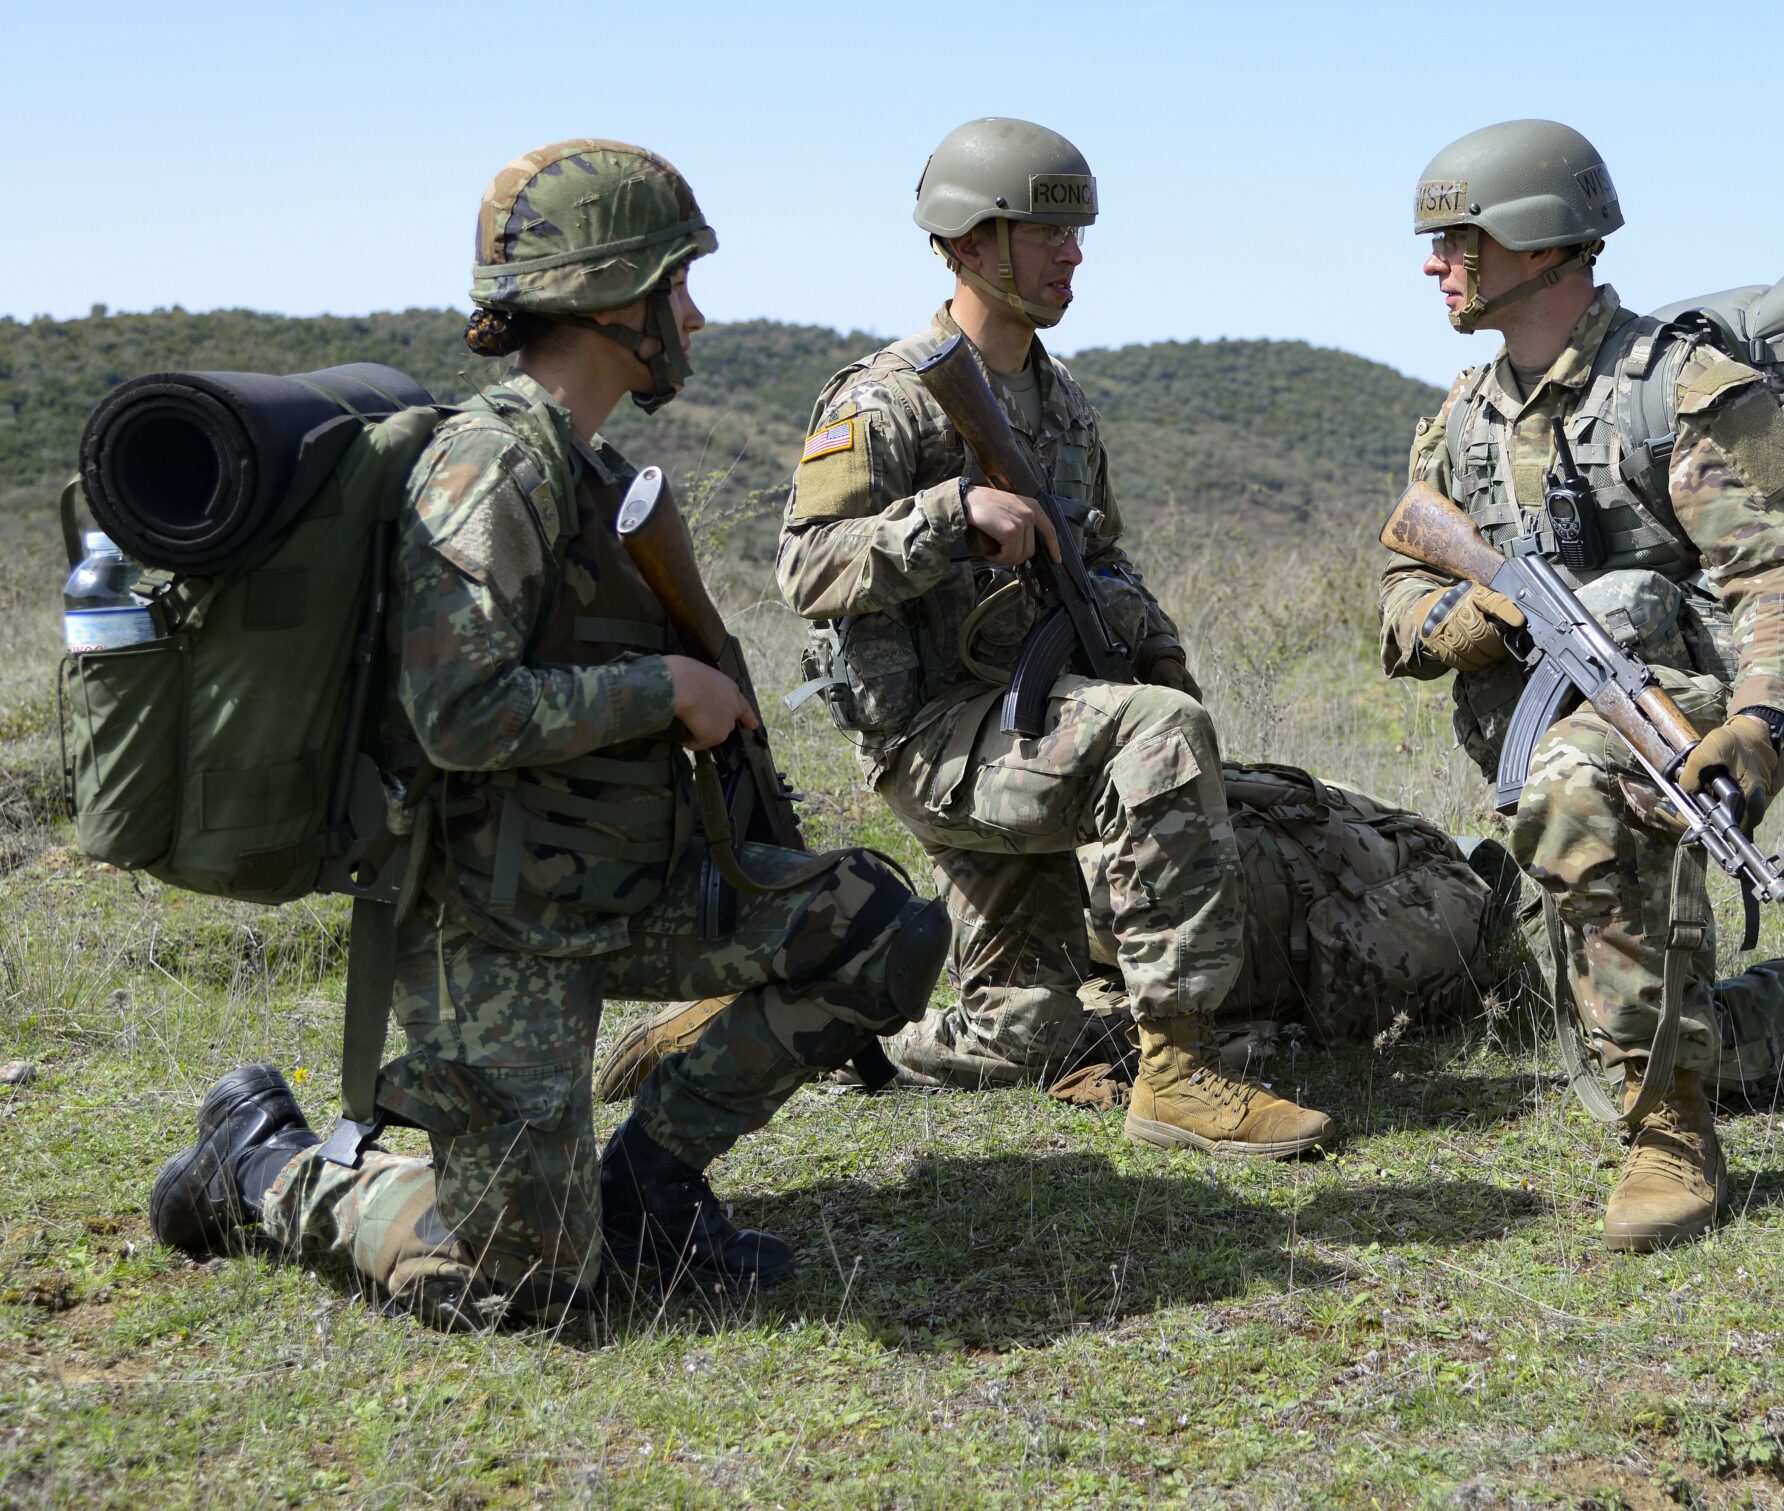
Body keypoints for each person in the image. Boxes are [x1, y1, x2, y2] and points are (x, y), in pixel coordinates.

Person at [147, 139, 949, 1328]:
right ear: (613, 298)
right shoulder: (492, 468)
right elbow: (460, 715)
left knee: (876, 927)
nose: (697, 314)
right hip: (496, 925)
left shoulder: (583, 462)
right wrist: (665, 686)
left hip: (613, 879)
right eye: (678, 286)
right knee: (520, 1293)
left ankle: (647, 1190)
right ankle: (265, 1162)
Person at [642, 116, 1331, 1159]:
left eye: (1075, 233)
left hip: (1033, 723)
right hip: (935, 738)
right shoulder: (886, 401)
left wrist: (1147, 640)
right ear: (968, 244)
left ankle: (769, 1017)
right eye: (1045, 234)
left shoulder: (1060, 402)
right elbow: (804, 567)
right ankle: (1180, 1071)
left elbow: (1102, 555)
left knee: (1032, 1031)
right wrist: (947, 514)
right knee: (1155, 733)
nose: (1072, 254)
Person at [1382, 119, 1784, 1250]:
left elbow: (1776, 575)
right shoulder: (1461, 418)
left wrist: (1761, 721)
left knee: (1576, 790)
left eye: (1453, 238)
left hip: (1689, 698)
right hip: (1564, 710)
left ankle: (1669, 1134)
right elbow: (1397, 592)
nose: (1433, 263)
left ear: (1529, 239)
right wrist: (1462, 615)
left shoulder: (1682, 389)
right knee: (1634, 1039)